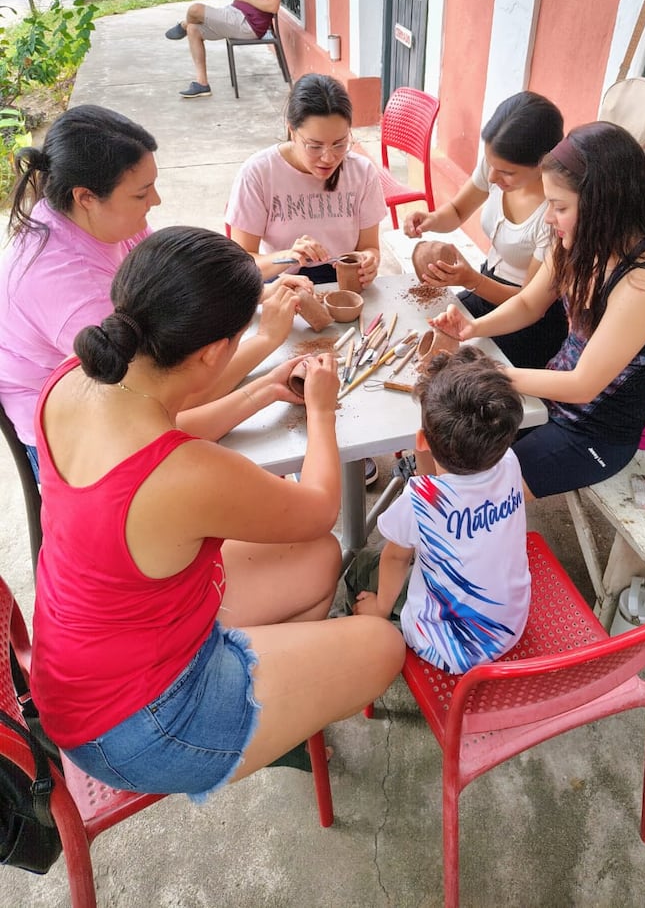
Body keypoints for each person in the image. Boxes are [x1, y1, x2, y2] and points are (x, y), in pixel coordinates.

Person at [30, 226, 405, 800]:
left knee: (317, 558)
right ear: (211, 352)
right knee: (383, 646)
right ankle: (249, 716)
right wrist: (323, 413)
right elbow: (316, 508)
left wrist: (260, 392)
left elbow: (164, 430)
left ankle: (271, 702)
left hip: (85, 666)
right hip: (139, 727)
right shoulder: (186, 473)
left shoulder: (78, 378)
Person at [0, 104, 308, 477]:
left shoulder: (100, 221)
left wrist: (259, 283)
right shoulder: (68, 284)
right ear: (85, 197)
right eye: (141, 193)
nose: (156, 201)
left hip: (124, 395)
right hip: (73, 443)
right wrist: (267, 340)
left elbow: (180, 279)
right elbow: (174, 400)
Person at [429, 121, 645, 500]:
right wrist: (472, 328)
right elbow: (528, 303)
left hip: (594, 434)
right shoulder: (581, 242)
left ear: (603, 204)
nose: (549, 217)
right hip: (547, 403)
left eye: (559, 206)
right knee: (443, 429)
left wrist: (493, 373)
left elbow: (584, 385)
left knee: (480, 493)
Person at [350, 346, 529, 675]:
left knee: (361, 566)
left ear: (420, 441)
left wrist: (379, 608)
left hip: (446, 646)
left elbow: (395, 558)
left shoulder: (419, 500)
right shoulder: (508, 462)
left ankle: (374, 628)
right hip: (510, 625)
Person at [403, 91, 568, 369]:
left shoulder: (556, 215)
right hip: (485, 286)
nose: (492, 177)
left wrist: (470, 280)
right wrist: (430, 219)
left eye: (506, 172)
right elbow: (456, 212)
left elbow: (528, 304)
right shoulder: (497, 166)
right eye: (491, 165)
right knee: (422, 334)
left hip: (528, 324)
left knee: (468, 385)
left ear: (543, 163)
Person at [226, 73, 386, 290]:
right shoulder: (259, 173)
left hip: (343, 284)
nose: (328, 158)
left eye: (340, 144)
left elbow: (369, 247)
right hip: (282, 281)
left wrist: (369, 261)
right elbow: (241, 264)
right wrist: (288, 256)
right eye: (314, 146)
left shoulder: (362, 172)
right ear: (292, 131)